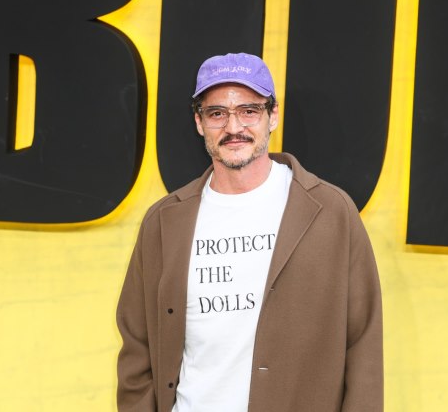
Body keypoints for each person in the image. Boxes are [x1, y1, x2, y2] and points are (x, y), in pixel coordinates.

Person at [116, 52, 383, 412]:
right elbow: (137, 345)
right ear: (199, 122)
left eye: (248, 110)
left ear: (273, 116)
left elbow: (363, 342)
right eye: (217, 113)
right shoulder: (164, 221)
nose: (233, 127)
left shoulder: (330, 212)